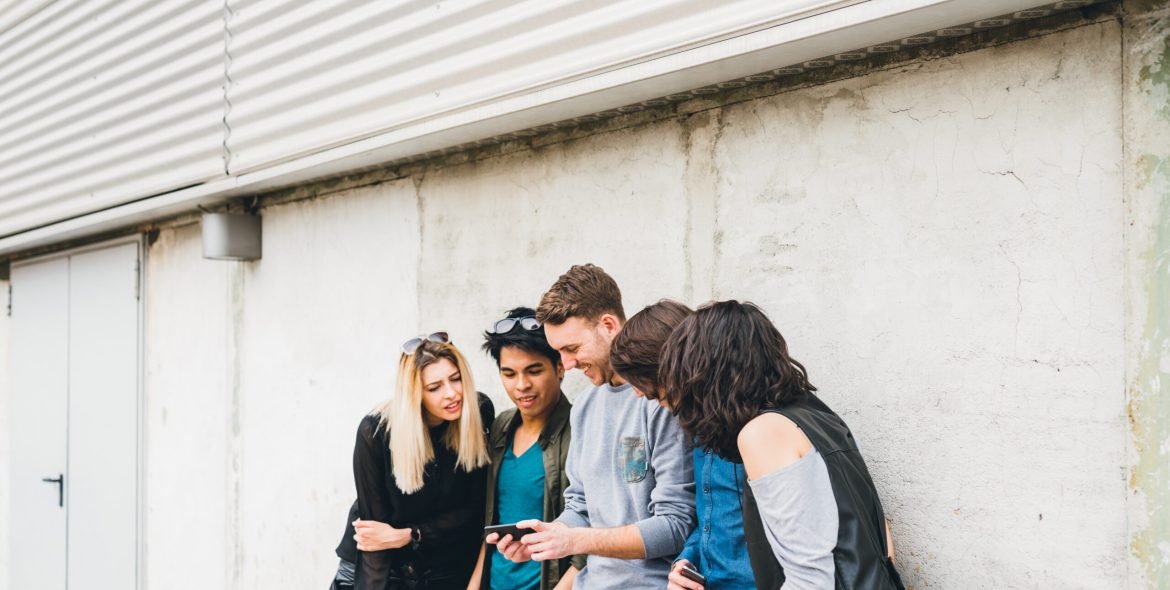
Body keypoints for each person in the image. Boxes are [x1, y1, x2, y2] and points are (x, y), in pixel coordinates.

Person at [658, 301, 904, 589]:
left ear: (707, 374)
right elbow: (885, 545)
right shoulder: (819, 416)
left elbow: (810, 581)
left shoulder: (762, 434)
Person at [492, 264, 695, 590]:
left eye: (572, 349)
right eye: (559, 352)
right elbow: (580, 506)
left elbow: (676, 525)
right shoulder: (585, 407)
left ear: (609, 325)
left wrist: (575, 541)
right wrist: (546, 538)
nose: (567, 365)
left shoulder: (661, 401)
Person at [609, 300, 755, 590]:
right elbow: (708, 520)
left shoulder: (759, 431)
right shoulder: (701, 431)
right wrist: (685, 561)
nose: (638, 393)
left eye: (642, 382)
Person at [349, 333, 493, 590]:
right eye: (434, 387)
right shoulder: (376, 432)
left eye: (456, 379)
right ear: (414, 393)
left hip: (447, 565)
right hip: (384, 570)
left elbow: (475, 511)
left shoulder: (479, 412)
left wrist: (410, 535)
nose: (451, 393)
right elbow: (376, 538)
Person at [467, 307, 583, 590]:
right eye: (509, 373)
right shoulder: (500, 429)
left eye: (534, 371)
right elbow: (492, 523)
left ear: (559, 367)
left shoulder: (581, 430)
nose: (521, 385)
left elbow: (590, 541)